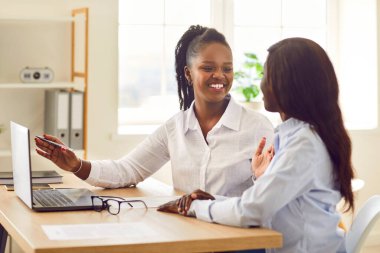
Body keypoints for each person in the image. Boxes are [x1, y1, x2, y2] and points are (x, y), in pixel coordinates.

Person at [157, 37, 355, 253]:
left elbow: (252, 210)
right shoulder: (295, 135)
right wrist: (214, 199)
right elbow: (261, 202)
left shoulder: (304, 144)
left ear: (288, 85)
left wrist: (195, 207)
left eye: (265, 75)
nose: (261, 83)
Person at [35, 25, 273, 197]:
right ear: (188, 74)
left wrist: (262, 179)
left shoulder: (257, 127)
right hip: (191, 238)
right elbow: (128, 170)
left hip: (238, 241)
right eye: (208, 68)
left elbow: (273, 195)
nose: (220, 76)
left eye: (227, 68)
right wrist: (77, 165)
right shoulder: (175, 128)